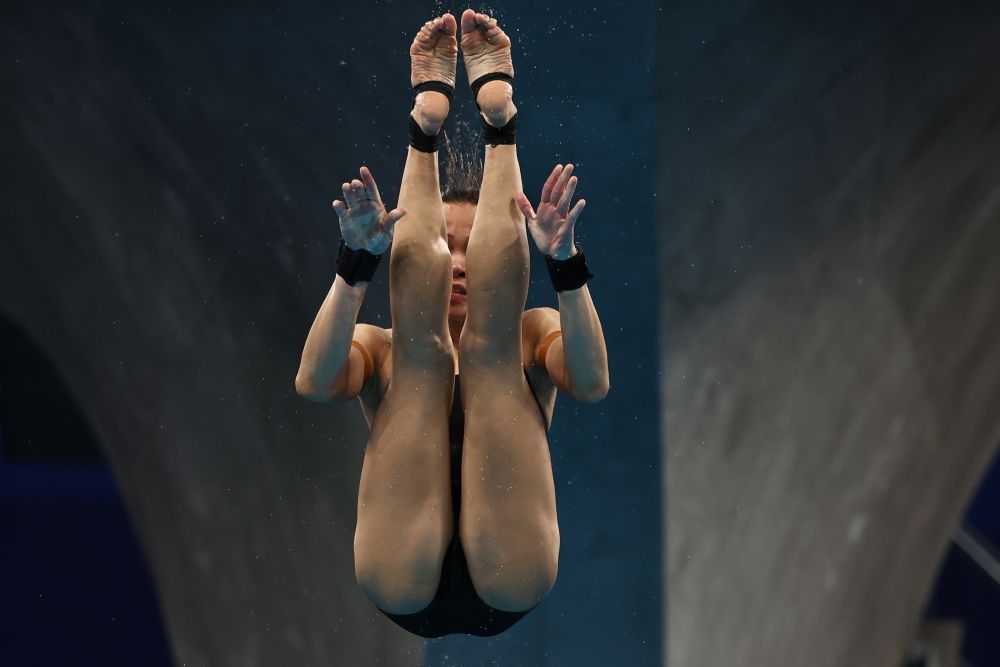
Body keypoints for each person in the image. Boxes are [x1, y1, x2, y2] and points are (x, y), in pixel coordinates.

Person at [295, 10, 609, 638]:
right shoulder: (383, 350)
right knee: (424, 354)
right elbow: (314, 379)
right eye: (449, 246)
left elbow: (593, 382)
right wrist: (355, 267)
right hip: (399, 563)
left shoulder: (530, 332)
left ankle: (493, 130)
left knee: (488, 351)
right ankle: (438, 132)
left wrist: (564, 264)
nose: (460, 264)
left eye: (471, 245)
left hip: (510, 562)